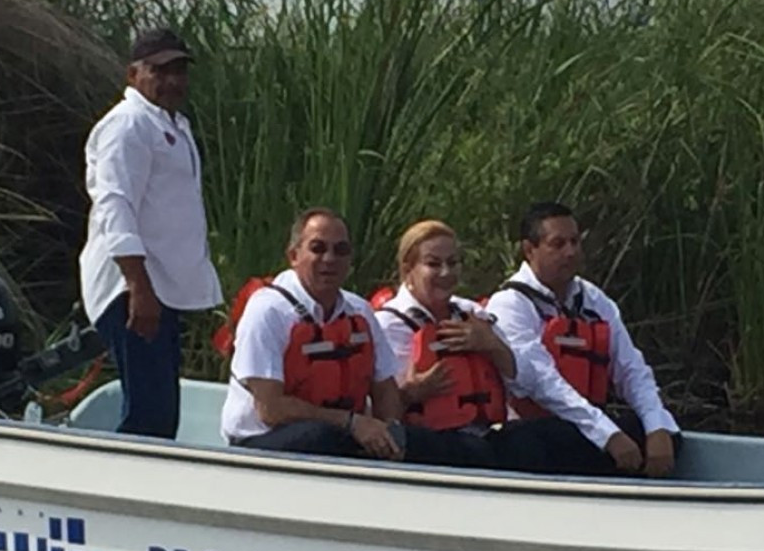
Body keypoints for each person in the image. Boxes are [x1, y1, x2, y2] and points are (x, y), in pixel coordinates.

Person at [220, 207, 464, 464]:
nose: (329, 258)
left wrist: (389, 432)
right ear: (294, 256)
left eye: (341, 250)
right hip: (262, 444)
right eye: (318, 248)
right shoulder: (268, 311)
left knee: (433, 443)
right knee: (322, 437)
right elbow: (271, 409)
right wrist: (351, 423)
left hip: (343, 434)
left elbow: (385, 393)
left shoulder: (359, 312)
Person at [78, 27, 223, 439]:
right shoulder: (127, 125)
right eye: (160, 71)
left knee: (160, 413)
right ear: (133, 74)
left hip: (158, 287)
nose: (172, 81)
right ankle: (118, 496)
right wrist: (137, 286)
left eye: (179, 70)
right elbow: (114, 205)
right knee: (149, 416)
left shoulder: (172, 125)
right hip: (133, 286)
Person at [485, 202, 682, 478]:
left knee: (668, 432)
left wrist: (655, 427)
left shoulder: (593, 299)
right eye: (558, 244)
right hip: (537, 429)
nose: (571, 252)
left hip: (586, 428)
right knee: (527, 444)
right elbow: (544, 384)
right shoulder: (509, 305)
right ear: (530, 250)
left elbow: (631, 369)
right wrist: (608, 435)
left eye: (575, 242)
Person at [374, 220, 523, 469]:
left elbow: (518, 381)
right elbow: (378, 411)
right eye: (433, 264)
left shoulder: (473, 314)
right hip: (426, 441)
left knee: (542, 436)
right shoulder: (387, 325)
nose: (446, 272)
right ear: (408, 268)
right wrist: (412, 393)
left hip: (485, 432)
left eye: (453, 263)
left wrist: (491, 345)